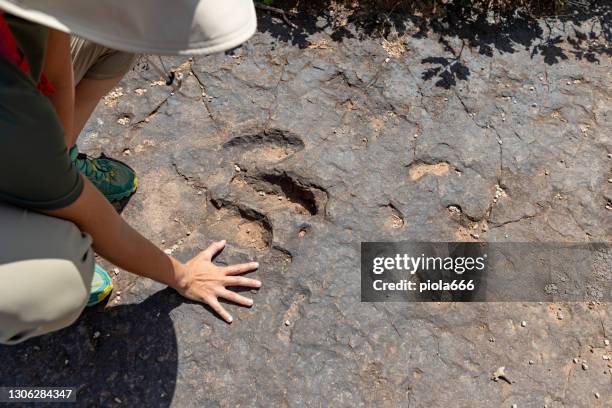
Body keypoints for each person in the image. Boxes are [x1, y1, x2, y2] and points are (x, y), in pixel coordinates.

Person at [0, 0, 260, 345]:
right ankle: (36, 221)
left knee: (113, 35)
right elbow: (100, 222)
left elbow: (56, 68)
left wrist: (56, 155)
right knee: (51, 284)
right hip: (11, 132)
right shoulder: (10, 116)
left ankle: (47, 178)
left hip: (18, 131)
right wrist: (182, 277)